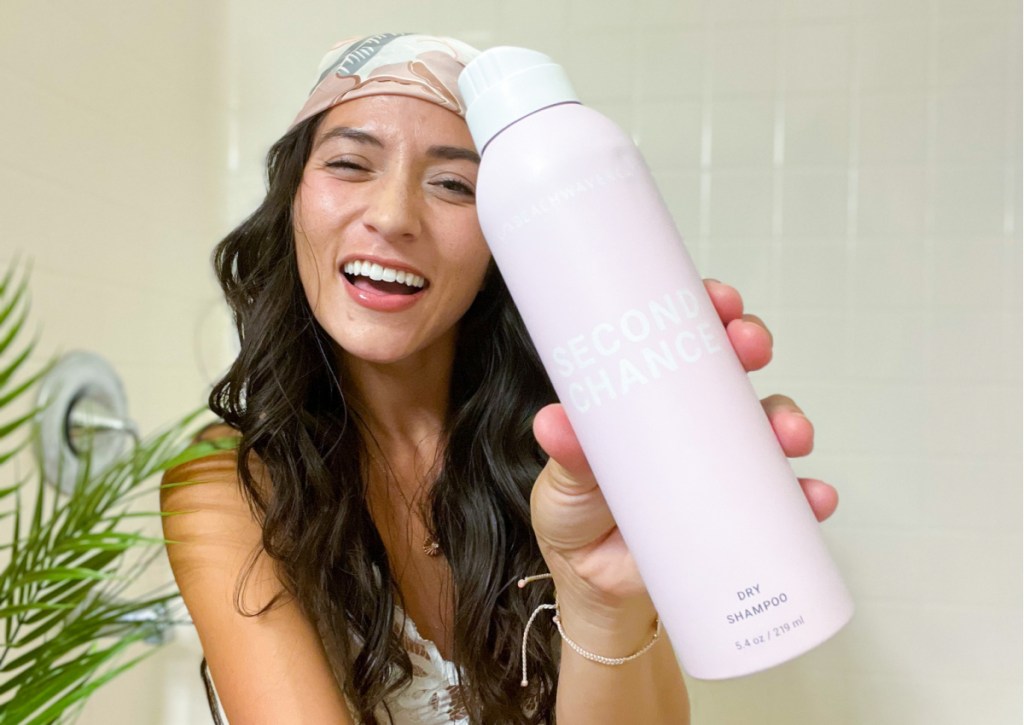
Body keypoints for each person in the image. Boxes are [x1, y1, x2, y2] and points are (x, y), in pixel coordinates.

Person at [161, 33, 839, 725]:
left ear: (504, 235)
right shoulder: (226, 484)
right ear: (294, 201)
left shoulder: (570, 456)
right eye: (349, 163)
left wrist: (601, 597)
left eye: (455, 183)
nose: (393, 217)